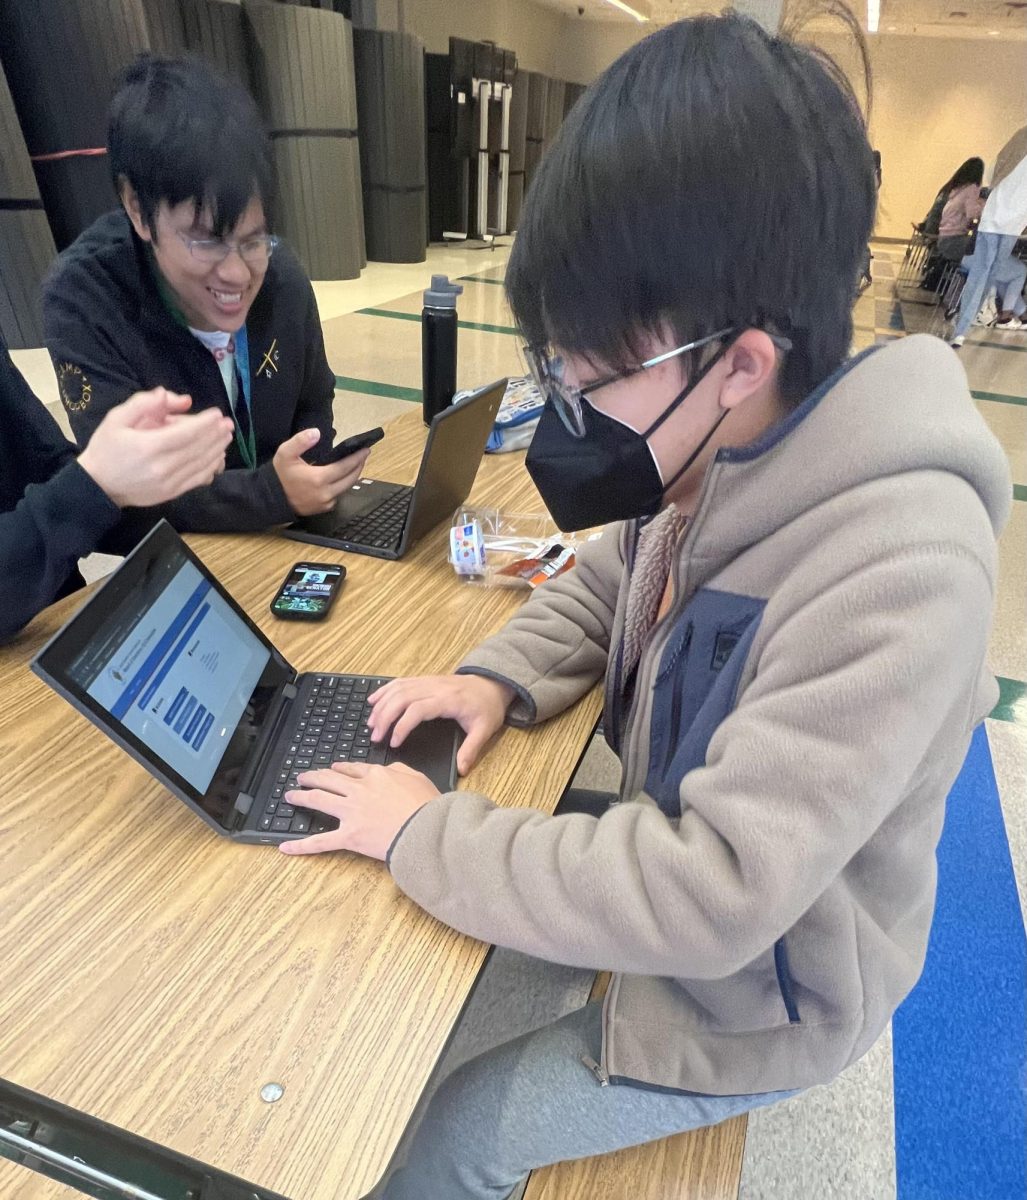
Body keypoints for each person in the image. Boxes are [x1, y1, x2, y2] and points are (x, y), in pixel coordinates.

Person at [282, 13, 1007, 1198]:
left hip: (773, 993)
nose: (568, 403)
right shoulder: (733, 444)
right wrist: (495, 676)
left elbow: (711, 893)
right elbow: (622, 573)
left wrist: (423, 834)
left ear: (739, 360)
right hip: (713, 890)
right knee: (415, 977)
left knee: (443, 1133)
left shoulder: (900, 568)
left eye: (590, 374)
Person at [43, 56, 369, 535]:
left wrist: (312, 473)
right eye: (206, 240)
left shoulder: (281, 276)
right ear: (137, 208)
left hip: (285, 538)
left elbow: (315, 400)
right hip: (183, 557)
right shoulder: (85, 300)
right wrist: (270, 495)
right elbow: (126, 492)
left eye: (254, 239)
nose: (237, 273)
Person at [0, 339, 233, 643]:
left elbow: (45, 461)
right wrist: (95, 484)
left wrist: (140, 475)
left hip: (57, 628)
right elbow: (77, 492)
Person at [951, 126, 1027, 347]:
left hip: (1003, 218)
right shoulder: (1021, 137)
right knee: (987, 272)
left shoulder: (1019, 137)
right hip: (1006, 219)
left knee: (986, 273)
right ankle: (964, 326)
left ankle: (964, 325)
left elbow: (993, 169)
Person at [936, 159, 985, 262]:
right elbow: (972, 213)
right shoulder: (972, 188)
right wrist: (984, 206)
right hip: (955, 241)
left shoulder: (958, 189)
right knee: (985, 249)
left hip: (943, 239)